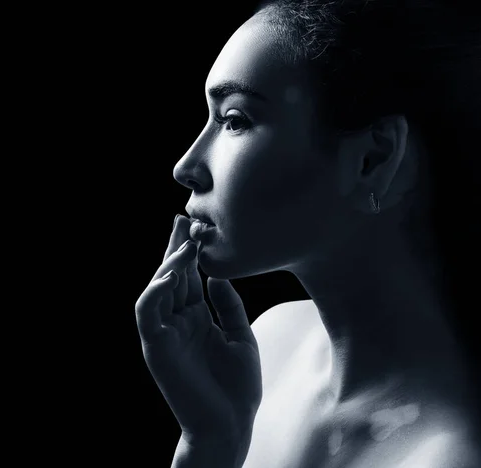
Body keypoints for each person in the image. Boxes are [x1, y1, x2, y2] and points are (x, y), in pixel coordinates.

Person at [134, 0, 481, 466]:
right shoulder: (272, 342)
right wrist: (211, 442)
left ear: (371, 160)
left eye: (235, 120)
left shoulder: (450, 453)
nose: (187, 167)